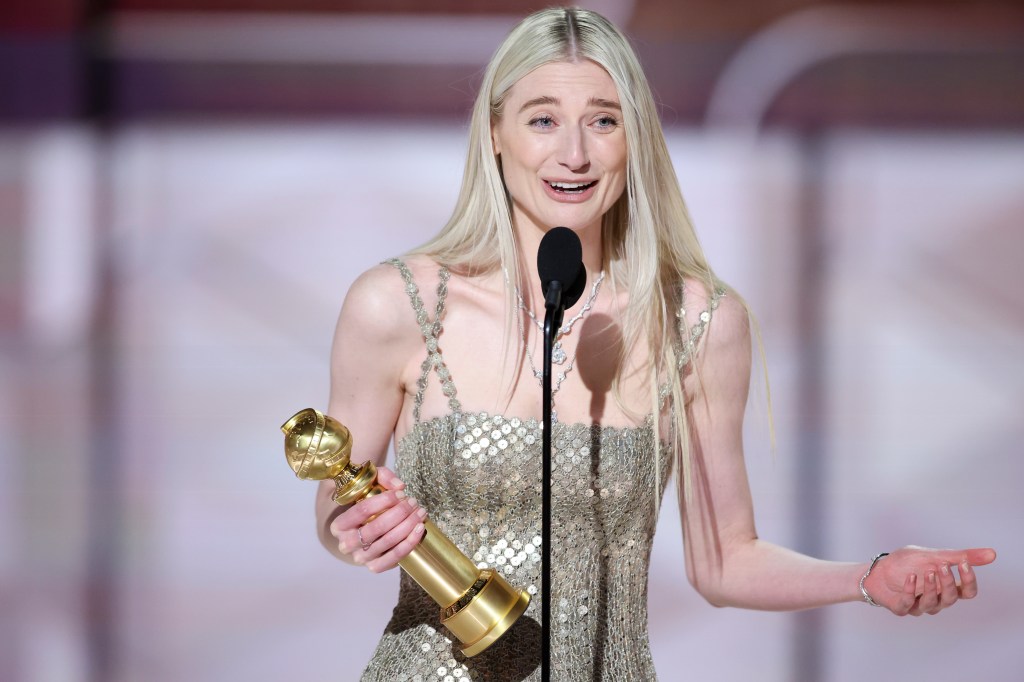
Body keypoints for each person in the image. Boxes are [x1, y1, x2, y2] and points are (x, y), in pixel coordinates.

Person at [313, 7, 996, 681]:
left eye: (603, 121)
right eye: (543, 119)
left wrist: (870, 578)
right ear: (496, 132)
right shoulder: (396, 305)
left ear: (634, 137)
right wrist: (355, 530)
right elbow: (337, 504)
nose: (574, 153)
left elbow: (725, 562)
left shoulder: (696, 321)